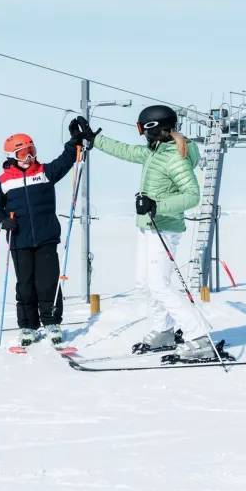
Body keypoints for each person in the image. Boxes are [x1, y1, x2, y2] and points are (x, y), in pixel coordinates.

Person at [77, 106, 215, 360]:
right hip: (149, 225)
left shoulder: (175, 157)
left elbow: (193, 196)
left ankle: (200, 337)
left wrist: (156, 205)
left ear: (153, 128)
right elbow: (127, 151)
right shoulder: (156, 152)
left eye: (141, 128)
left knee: (159, 285)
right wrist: (93, 138)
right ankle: (163, 330)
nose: (140, 134)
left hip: (164, 227)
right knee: (145, 283)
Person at [0, 119, 85, 347]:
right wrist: (2, 220)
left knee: (48, 283)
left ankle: (51, 322)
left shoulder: (44, 173)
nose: (29, 158)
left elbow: (65, 161)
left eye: (31, 152)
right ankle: (28, 326)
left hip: (46, 238)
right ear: (12, 157)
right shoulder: (3, 182)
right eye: (23, 154)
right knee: (25, 285)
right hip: (19, 240)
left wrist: (74, 143)